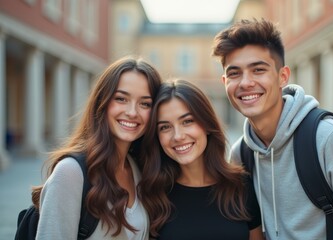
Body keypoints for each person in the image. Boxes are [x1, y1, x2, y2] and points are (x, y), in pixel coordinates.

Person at [211, 18, 333, 239]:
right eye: (234, 73)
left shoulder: (329, 139)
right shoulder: (241, 153)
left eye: (258, 70)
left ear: (282, 77)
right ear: (225, 82)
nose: (245, 83)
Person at [31, 55, 162, 239]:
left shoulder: (138, 169)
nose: (132, 112)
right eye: (121, 99)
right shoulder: (70, 173)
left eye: (145, 104)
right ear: (103, 102)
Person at [140, 79, 264, 240]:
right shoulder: (152, 195)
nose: (178, 136)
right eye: (165, 127)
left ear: (206, 124)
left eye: (187, 121)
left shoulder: (241, 185)